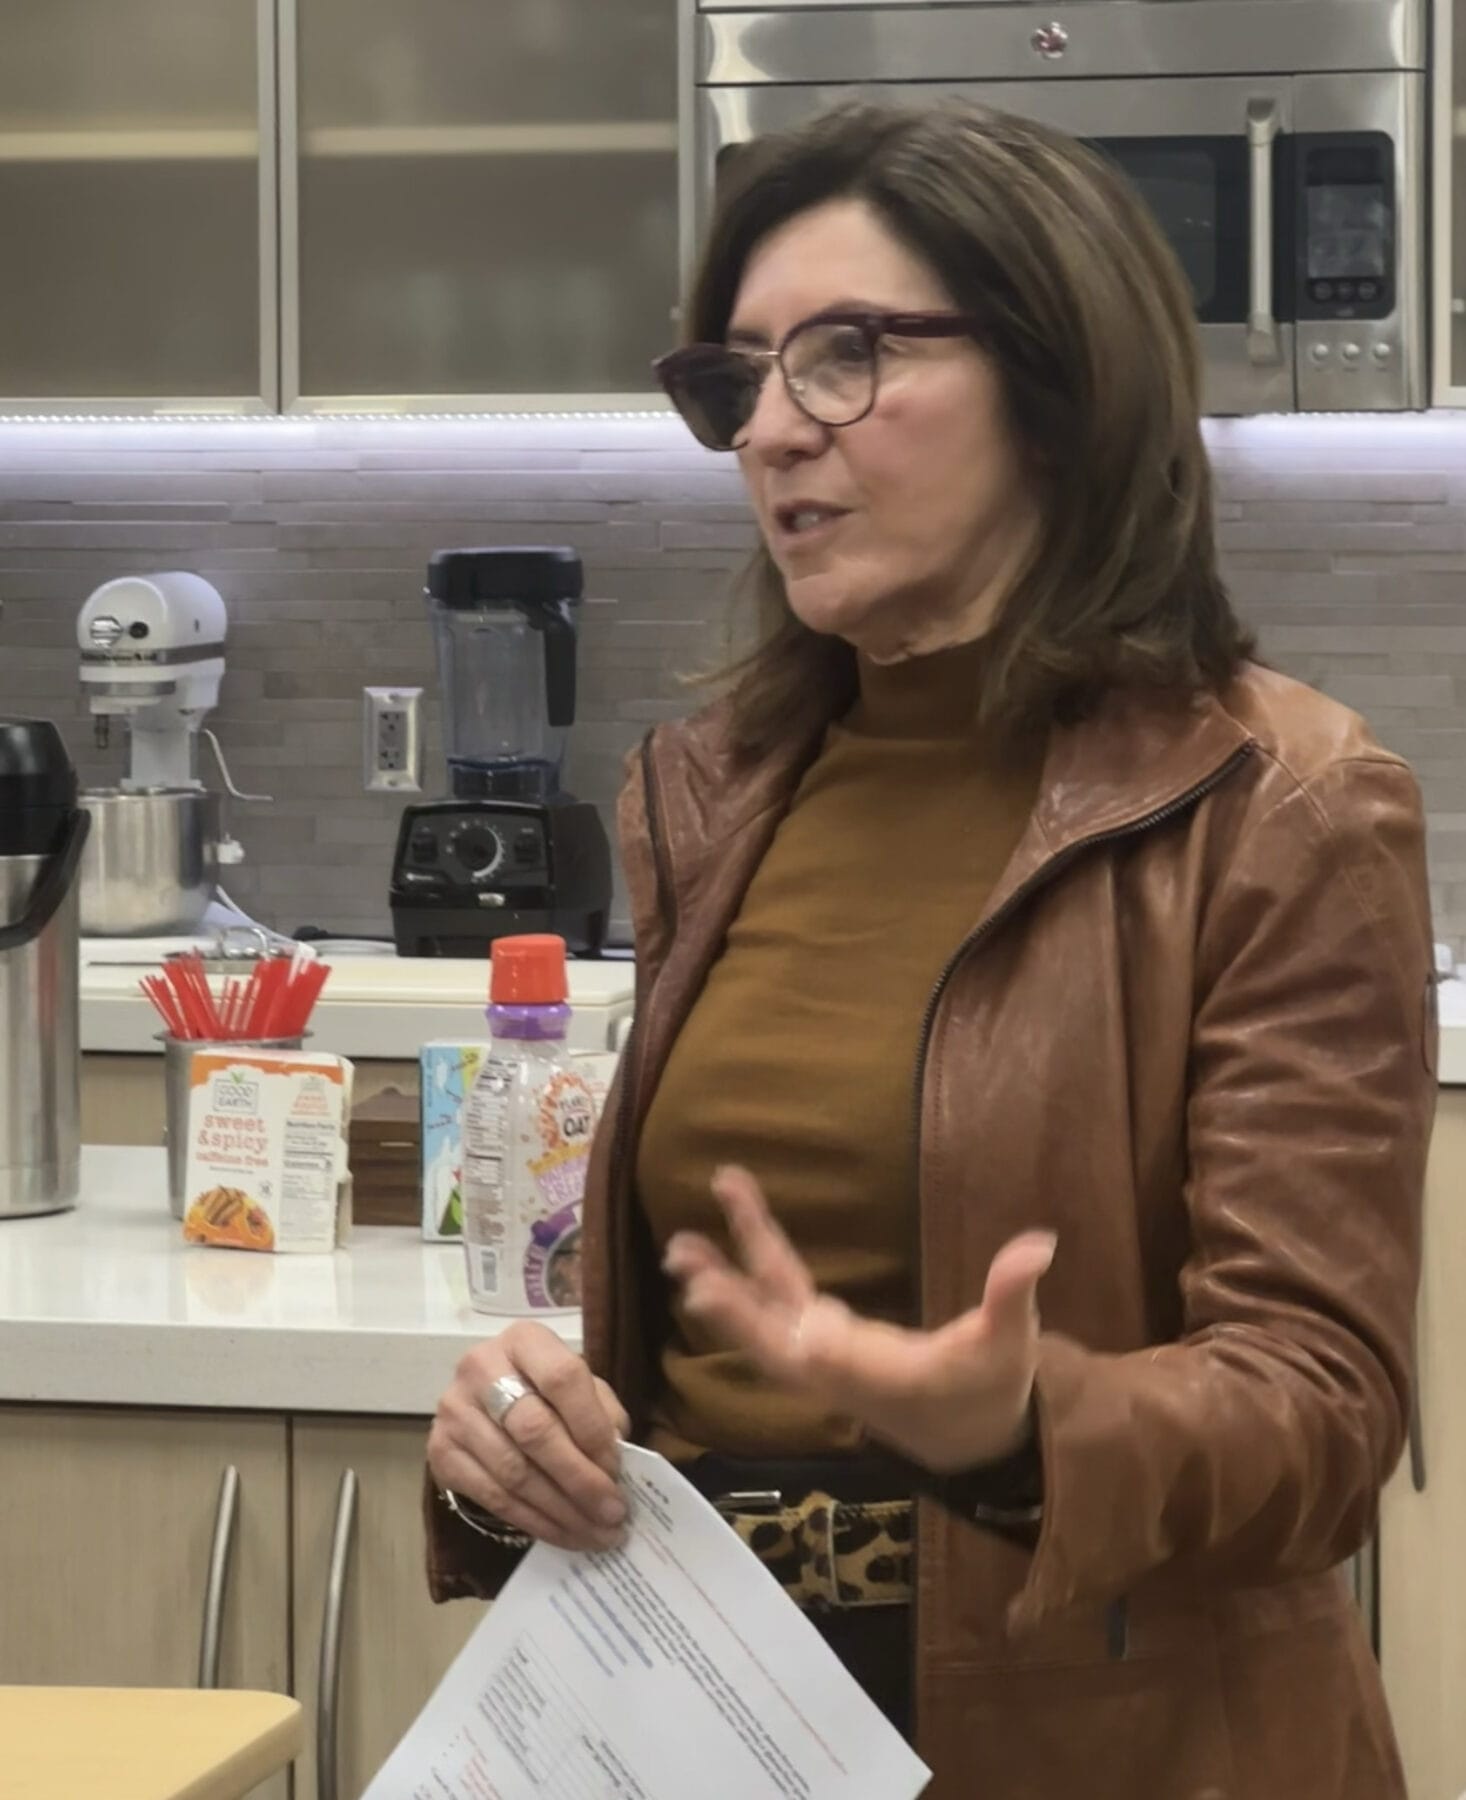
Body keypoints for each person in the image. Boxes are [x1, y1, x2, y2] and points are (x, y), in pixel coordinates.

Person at [424, 102, 1436, 1799]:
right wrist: (505, 1450)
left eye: (842, 357)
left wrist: (1026, 1419)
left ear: (1055, 381)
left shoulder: (1285, 806)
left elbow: (1322, 1418)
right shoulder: (711, 796)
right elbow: (677, 1354)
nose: (769, 433)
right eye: (738, 379)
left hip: (1102, 1742)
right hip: (708, 1725)